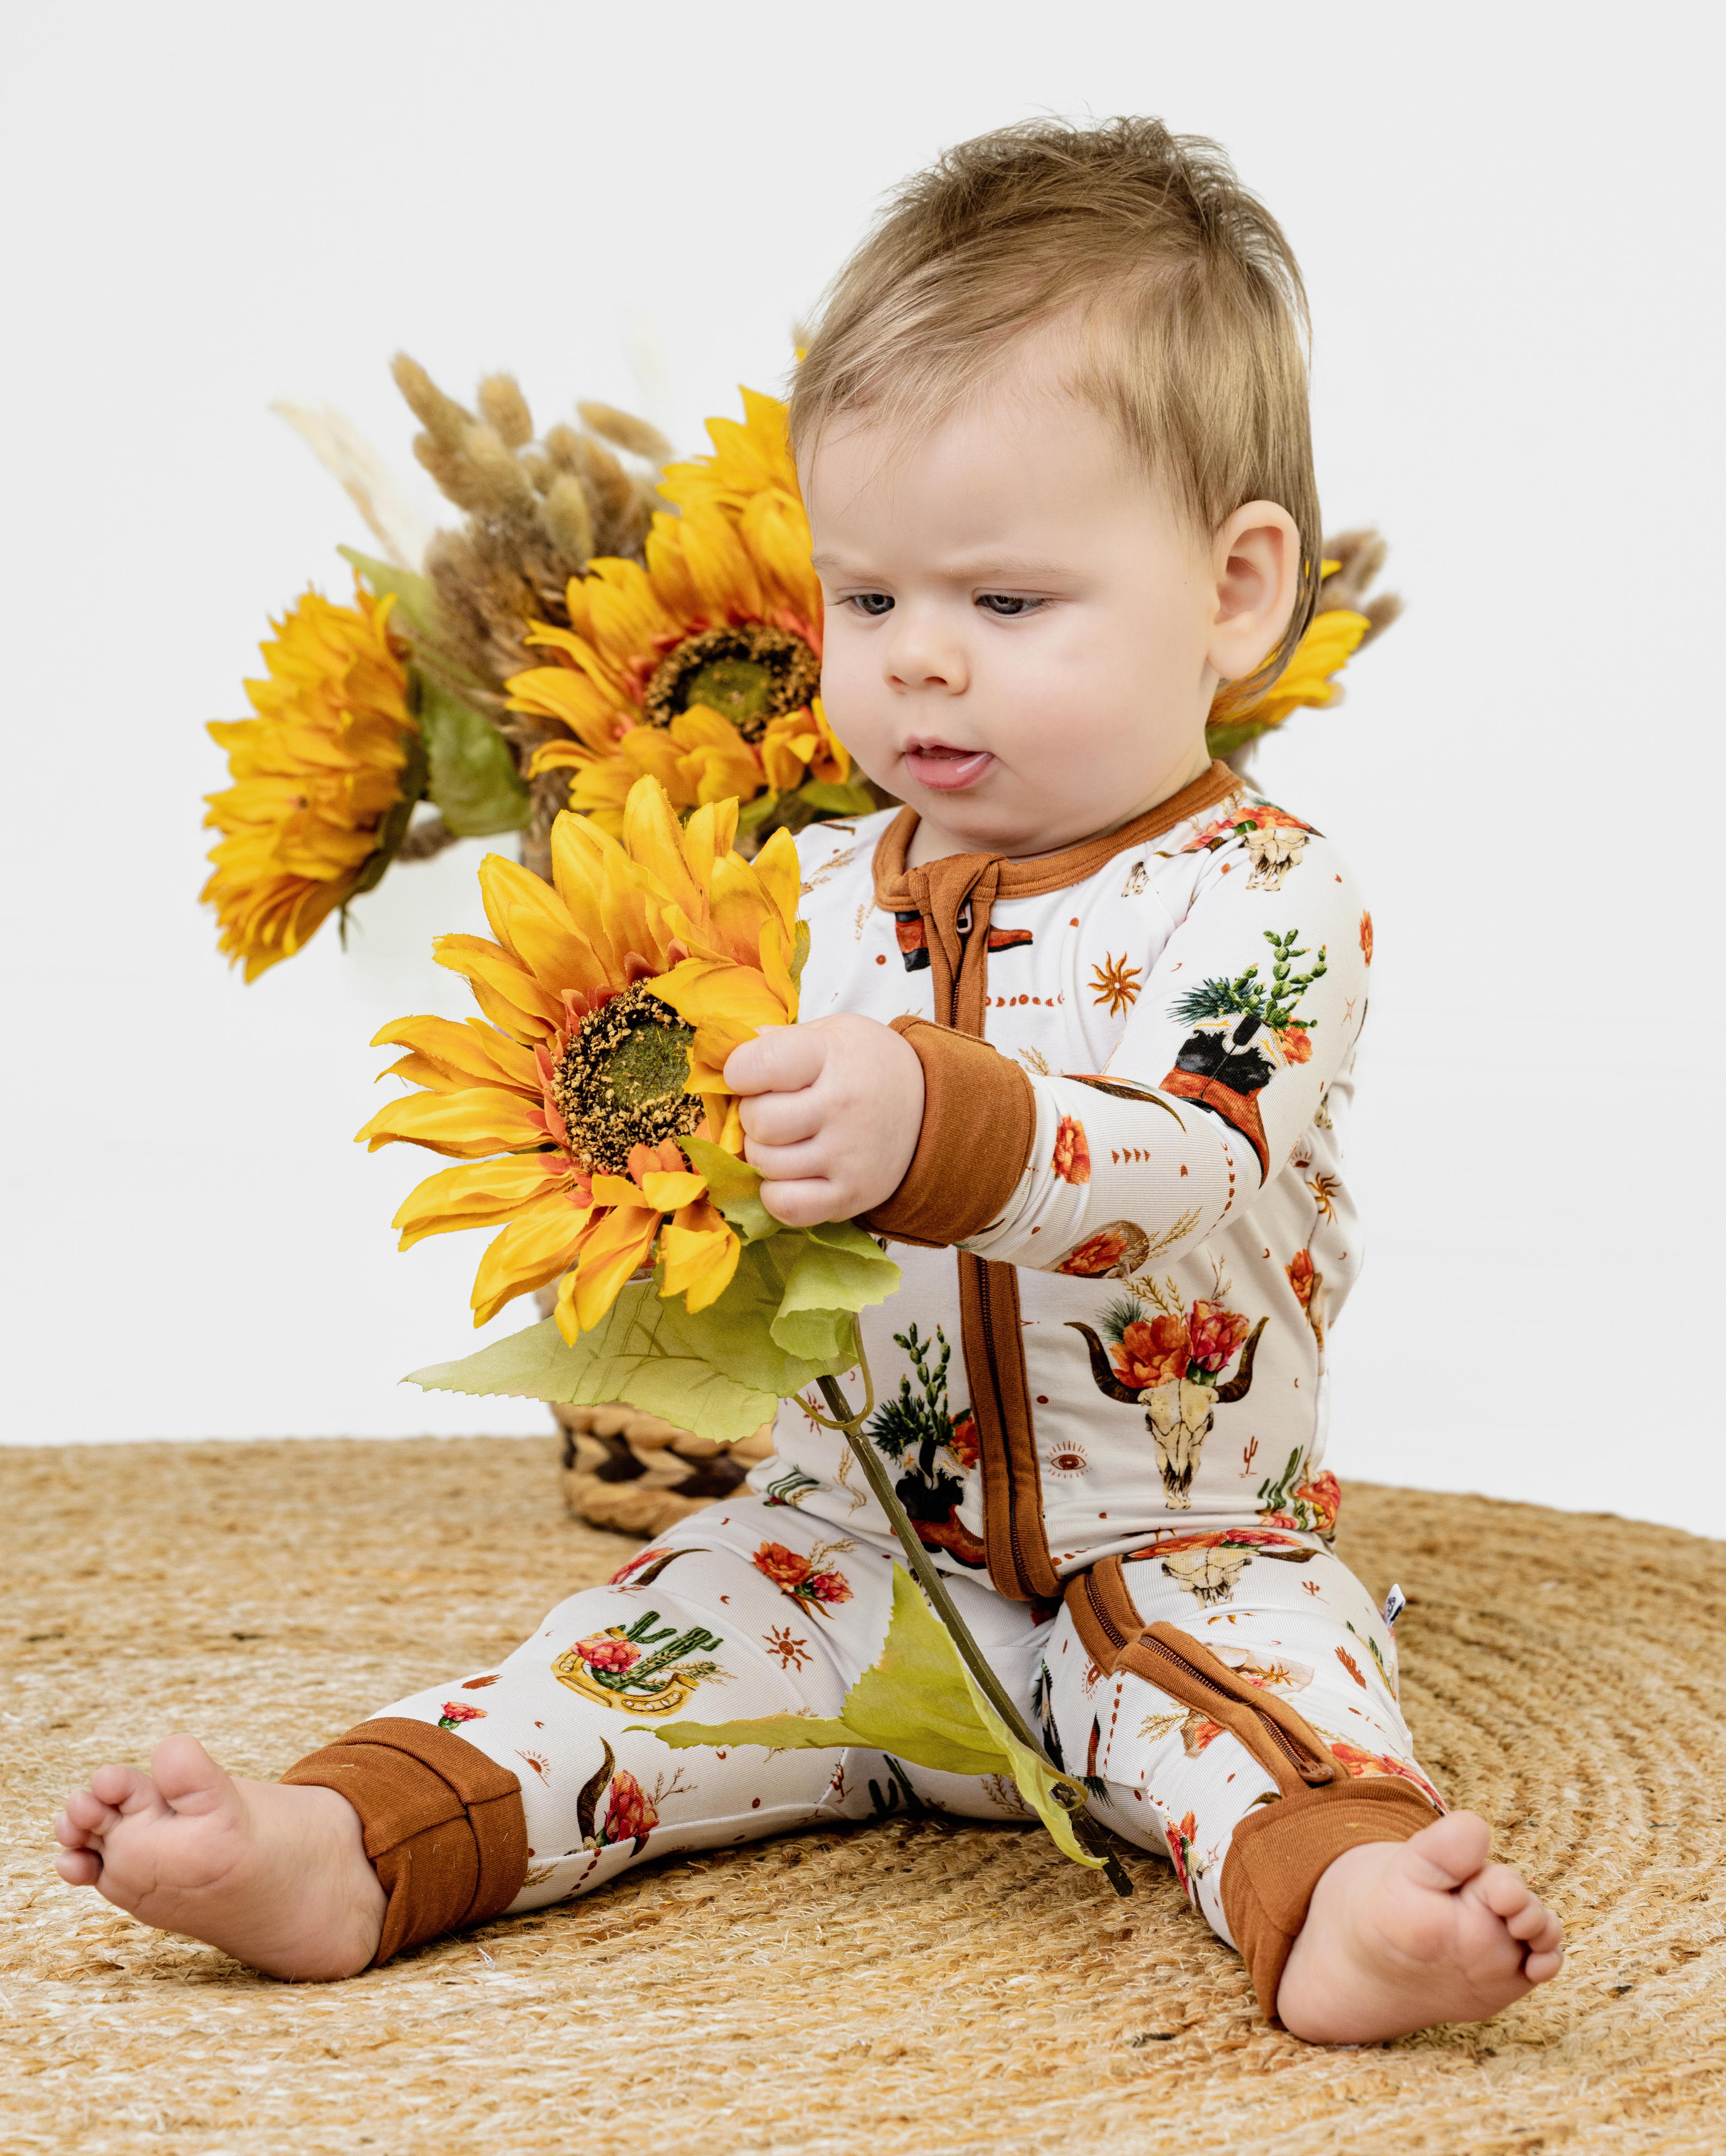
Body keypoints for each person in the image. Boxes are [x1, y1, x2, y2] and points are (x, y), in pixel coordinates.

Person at [52, 117, 1562, 2042]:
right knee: (594, 1674)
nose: (919, 664)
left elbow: (1184, 1157)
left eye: (1005, 605)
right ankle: (342, 1844)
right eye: (867, 602)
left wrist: (933, 1115)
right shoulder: (795, 888)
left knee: (1276, 1719)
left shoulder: (1266, 896)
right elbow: (668, 1132)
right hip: (842, 1546)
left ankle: (1344, 1903)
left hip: (1178, 1546)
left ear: (1237, 592)